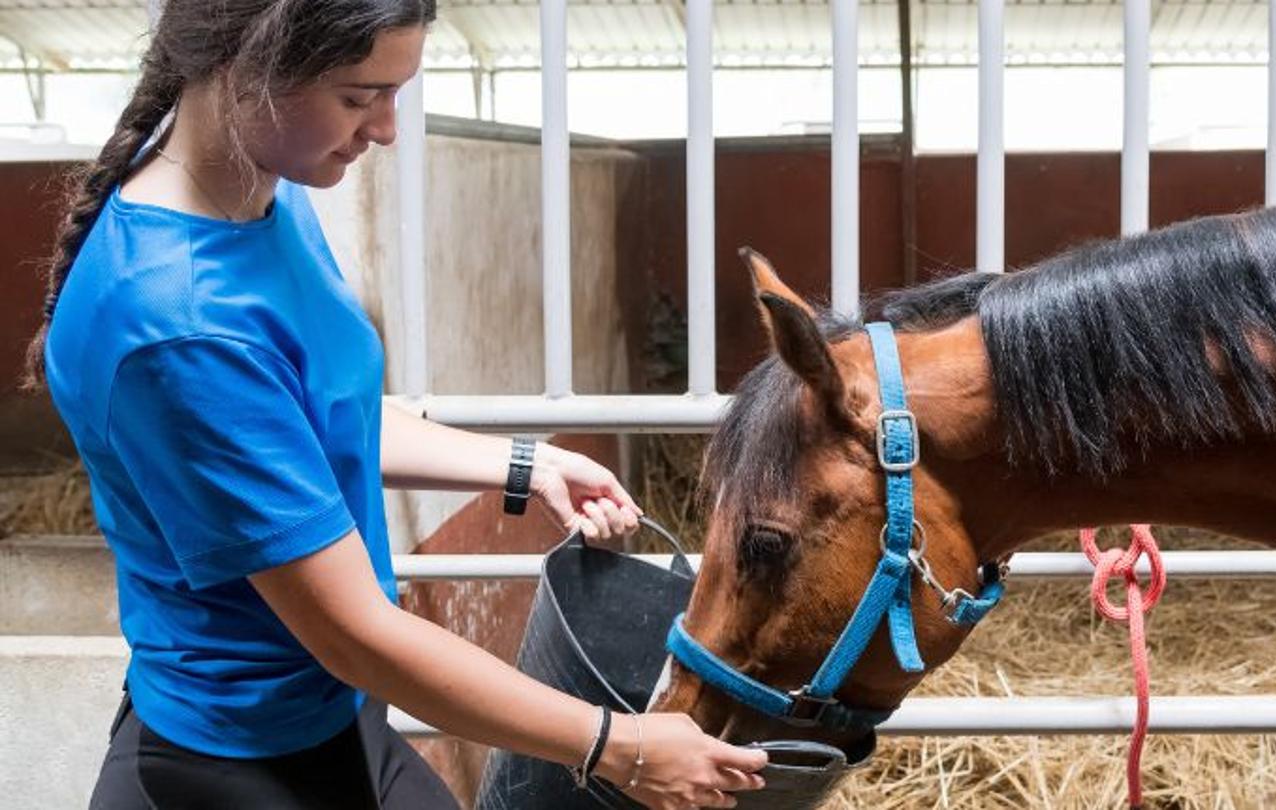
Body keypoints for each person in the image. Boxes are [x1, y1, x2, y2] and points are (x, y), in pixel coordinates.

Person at [21, 1, 766, 808]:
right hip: (234, 757)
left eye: (395, 93)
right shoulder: (178, 323)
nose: (386, 129)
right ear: (244, 69)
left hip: (332, 715)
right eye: (357, 96)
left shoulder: (266, 193)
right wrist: (614, 746)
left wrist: (524, 462)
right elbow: (353, 632)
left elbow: (314, 421)